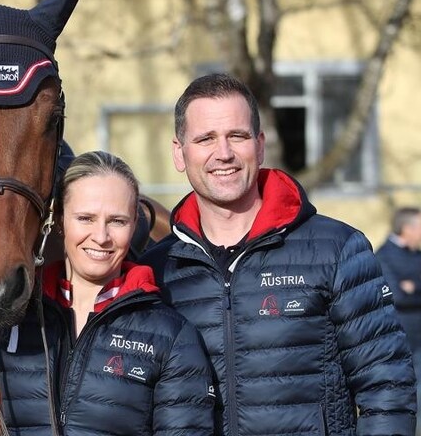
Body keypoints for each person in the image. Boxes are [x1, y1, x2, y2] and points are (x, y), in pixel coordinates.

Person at [140, 72, 417, 435]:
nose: (223, 153)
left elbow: (388, 385)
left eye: (237, 136)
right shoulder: (157, 271)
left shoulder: (337, 249)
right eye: (205, 138)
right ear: (180, 152)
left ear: (260, 144)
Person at [0, 151, 215, 435]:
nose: (101, 236)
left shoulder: (172, 337)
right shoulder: (16, 321)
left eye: (117, 221)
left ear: (134, 226)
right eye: (85, 218)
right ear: (60, 221)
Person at [376, 206, 421, 436]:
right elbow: (397, 295)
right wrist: (408, 289)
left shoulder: (417, 255)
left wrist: (413, 288)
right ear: (407, 228)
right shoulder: (383, 255)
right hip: (401, 338)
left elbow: (409, 292)